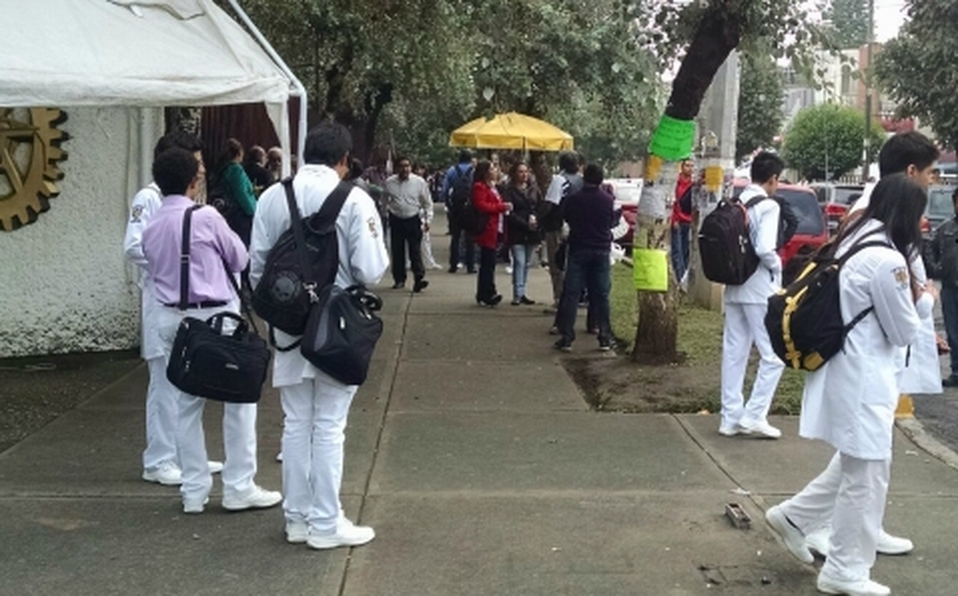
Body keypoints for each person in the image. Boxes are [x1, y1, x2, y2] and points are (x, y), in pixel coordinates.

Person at [765, 174, 927, 596]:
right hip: (864, 379)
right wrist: (923, 298)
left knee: (855, 463)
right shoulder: (888, 261)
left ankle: (796, 517)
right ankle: (845, 569)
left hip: (849, 372)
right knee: (868, 476)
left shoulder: (855, 240)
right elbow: (904, 330)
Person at [250, 122, 388, 550]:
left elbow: (257, 268)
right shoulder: (354, 199)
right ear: (344, 160)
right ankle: (327, 523)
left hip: (288, 327)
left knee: (295, 424)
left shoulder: (273, 196)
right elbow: (370, 270)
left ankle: (297, 517)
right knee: (329, 426)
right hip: (336, 325)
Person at [803, 130, 941, 560]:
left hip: (868, 359)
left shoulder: (869, 222)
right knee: (866, 462)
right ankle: (842, 551)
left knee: (864, 458)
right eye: (931, 174)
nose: (933, 184)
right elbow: (900, 315)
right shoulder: (880, 237)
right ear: (910, 174)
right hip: (867, 360)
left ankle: (805, 519)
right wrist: (923, 304)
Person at [142, 147, 281, 514]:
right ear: (194, 180)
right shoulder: (206, 217)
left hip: (172, 318)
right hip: (215, 317)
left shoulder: (153, 223)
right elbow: (239, 258)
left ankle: (193, 491)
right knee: (238, 400)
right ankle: (238, 486)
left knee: (187, 404)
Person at [124, 131, 224, 486]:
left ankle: (186, 454)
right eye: (194, 162)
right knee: (164, 383)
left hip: (185, 301)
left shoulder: (186, 200)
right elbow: (134, 245)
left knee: (186, 379)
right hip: (161, 298)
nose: (200, 170)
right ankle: (159, 459)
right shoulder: (149, 198)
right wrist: (171, 267)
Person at [719, 151, 786, 439]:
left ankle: (729, 417)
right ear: (772, 179)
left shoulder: (736, 201)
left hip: (734, 285)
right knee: (774, 355)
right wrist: (778, 268)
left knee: (734, 352)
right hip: (759, 288)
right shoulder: (768, 206)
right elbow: (764, 248)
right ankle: (755, 414)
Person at [553, 164, 616, 352]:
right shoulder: (607, 200)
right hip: (601, 249)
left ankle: (567, 337)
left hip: (579, 248)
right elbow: (611, 221)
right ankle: (604, 336)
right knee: (601, 294)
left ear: (585, 178)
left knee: (572, 294)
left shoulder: (573, 199)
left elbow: (567, 219)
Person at [539, 152, 583, 314]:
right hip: (577, 227)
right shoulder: (581, 181)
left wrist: (539, 218)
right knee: (572, 264)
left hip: (558, 226)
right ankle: (574, 297)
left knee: (556, 263)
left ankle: (559, 300)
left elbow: (551, 203)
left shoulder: (559, 180)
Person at [383, 156, 433, 292]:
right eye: (402, 166)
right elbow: (384, 201)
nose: (405, 169)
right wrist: (384, 215)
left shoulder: (419, 182)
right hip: (396, 219)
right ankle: (399, 279)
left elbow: (427, 202)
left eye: (407, 166)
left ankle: (419, 278)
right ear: (397, 168)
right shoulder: (389, 183)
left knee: (415, 250)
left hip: (413, 219)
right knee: (397, 251)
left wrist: (427, 219)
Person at [472, 159, 512, 306]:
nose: (495, 171)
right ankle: (487, 292)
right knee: (487, 262)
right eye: (492, 169)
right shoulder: (479, 187)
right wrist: (501, 207)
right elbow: (481, 205)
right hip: (487, 229)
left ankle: (485, 291)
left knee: (489, 262)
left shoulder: (494, 187)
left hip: (496, 228)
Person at [503, 160, 542, 305]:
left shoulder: (534, 189)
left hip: (531, 231)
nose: (524, 175)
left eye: (526, 171)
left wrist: (536, 219)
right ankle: (517, 293)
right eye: (520, 171)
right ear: (514, 173)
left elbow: (540, 206)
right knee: (519, 261)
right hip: (517, 231)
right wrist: (524, 223)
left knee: (526, 263)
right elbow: (509, 213)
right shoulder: (509, 191)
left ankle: (523, 291)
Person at [931, 187, 958, 386]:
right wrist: (937, 268)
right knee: (953, 331)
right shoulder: (946, 229)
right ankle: (956, 371)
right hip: (950, 287)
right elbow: (932, 251)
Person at [216, 138, 258, 247]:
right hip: (240, 216)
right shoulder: (236, 170)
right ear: (240, 153)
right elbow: (242, 194)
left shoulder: (223, 169)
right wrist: (253, 211)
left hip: (230, 213)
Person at [442, 150, 477, 273]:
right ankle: (470, 265)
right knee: (470, 237)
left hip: (456, 208)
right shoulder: (474, 171)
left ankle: (453, 265)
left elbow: (445, 189)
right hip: (470, 208)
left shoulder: (452, 170)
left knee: (455, 237)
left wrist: (448, 204)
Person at [670, 158, 694, 283]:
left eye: (691, 166)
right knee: (677, 251)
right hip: (678, 221)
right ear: (682, 167)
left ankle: (685, 278)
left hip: (689, 221)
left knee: (686, 251)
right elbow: (673, 203)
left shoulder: (694, 184)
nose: (689, 168)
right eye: (687, 165)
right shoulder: (676, 182)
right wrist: (674, 220)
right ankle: (679, 279)